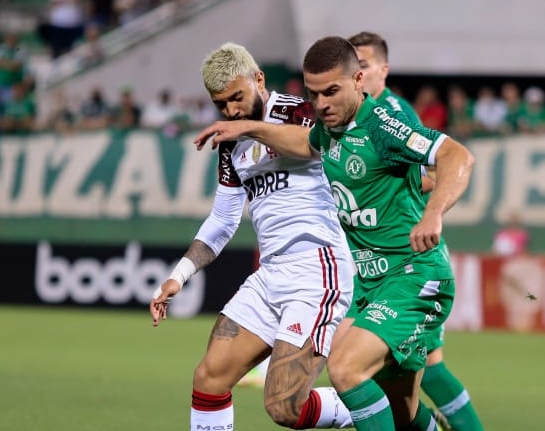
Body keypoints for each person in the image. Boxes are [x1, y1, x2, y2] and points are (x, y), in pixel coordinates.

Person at [195, 36, 475, 430]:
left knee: (345, 370)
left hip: (413, 277)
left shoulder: (382, 127)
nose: (321, 103)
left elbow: (457, 156)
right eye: (313, 94)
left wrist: (433, 213)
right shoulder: (330, 131)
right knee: (402, 411)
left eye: (331, 91)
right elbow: (301, 141)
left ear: (359, 80)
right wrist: (248, 128)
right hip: (372, 284)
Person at [149, 43, 354, 430]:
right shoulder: (232, 140)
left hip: (317, 268)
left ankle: (377, 407)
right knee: (209, 377)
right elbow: (223, 220)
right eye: (220, 104)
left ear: (258, 79)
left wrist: (248, 127)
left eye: (237, 98)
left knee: (284, 407)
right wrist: (178, 275)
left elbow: (318, 147)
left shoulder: (301, 111)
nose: (231, 112)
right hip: (271, 275)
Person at [348, 30, 485, 431]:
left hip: (407, 259)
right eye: (351, 65)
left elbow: (431, 172)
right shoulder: (352, 113)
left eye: (365, 65)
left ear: (383, 70)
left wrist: (417, 207)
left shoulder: (392, 114)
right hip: (374, 260)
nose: (357, 73)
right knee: (393, 379)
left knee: (401, 373)